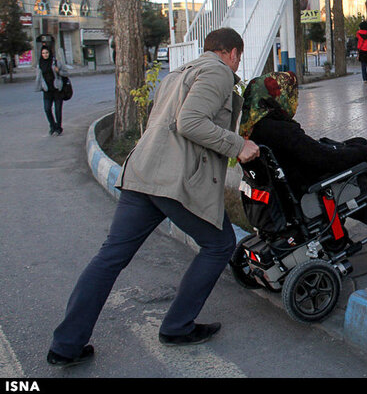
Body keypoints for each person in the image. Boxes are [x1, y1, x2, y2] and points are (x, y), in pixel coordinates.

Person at [47, 28, 260, 368]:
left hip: (141, 173)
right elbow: (190, 122)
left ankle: (65, 345)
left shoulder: (177, 73)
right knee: (219, 244)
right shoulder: (219, 72)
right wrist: (239, 145)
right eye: (238, 57)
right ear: (232, 52)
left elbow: (161, 123)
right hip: (173, 182)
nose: (237, 63)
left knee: (110, 257)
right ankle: (177, 326)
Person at [239, 71, 367, 225]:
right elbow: (323, 159)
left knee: (359, 142)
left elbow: (307, 152)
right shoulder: (280, 130)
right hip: (311, 184)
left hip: (294, 180)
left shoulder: (255, 130)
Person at [35, 46, 68, 136]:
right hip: (47, 91)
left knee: (58, 110)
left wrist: (58, 71)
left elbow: (66, 73)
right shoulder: (39, 64)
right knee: (47, 109)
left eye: (46, 53)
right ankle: (52, 126)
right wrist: (40, 86)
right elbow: (39, 77)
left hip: (57, 90)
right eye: (43, 53)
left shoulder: (56, 63)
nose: (45, 55)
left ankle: (58, 128)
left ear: (49, 53)